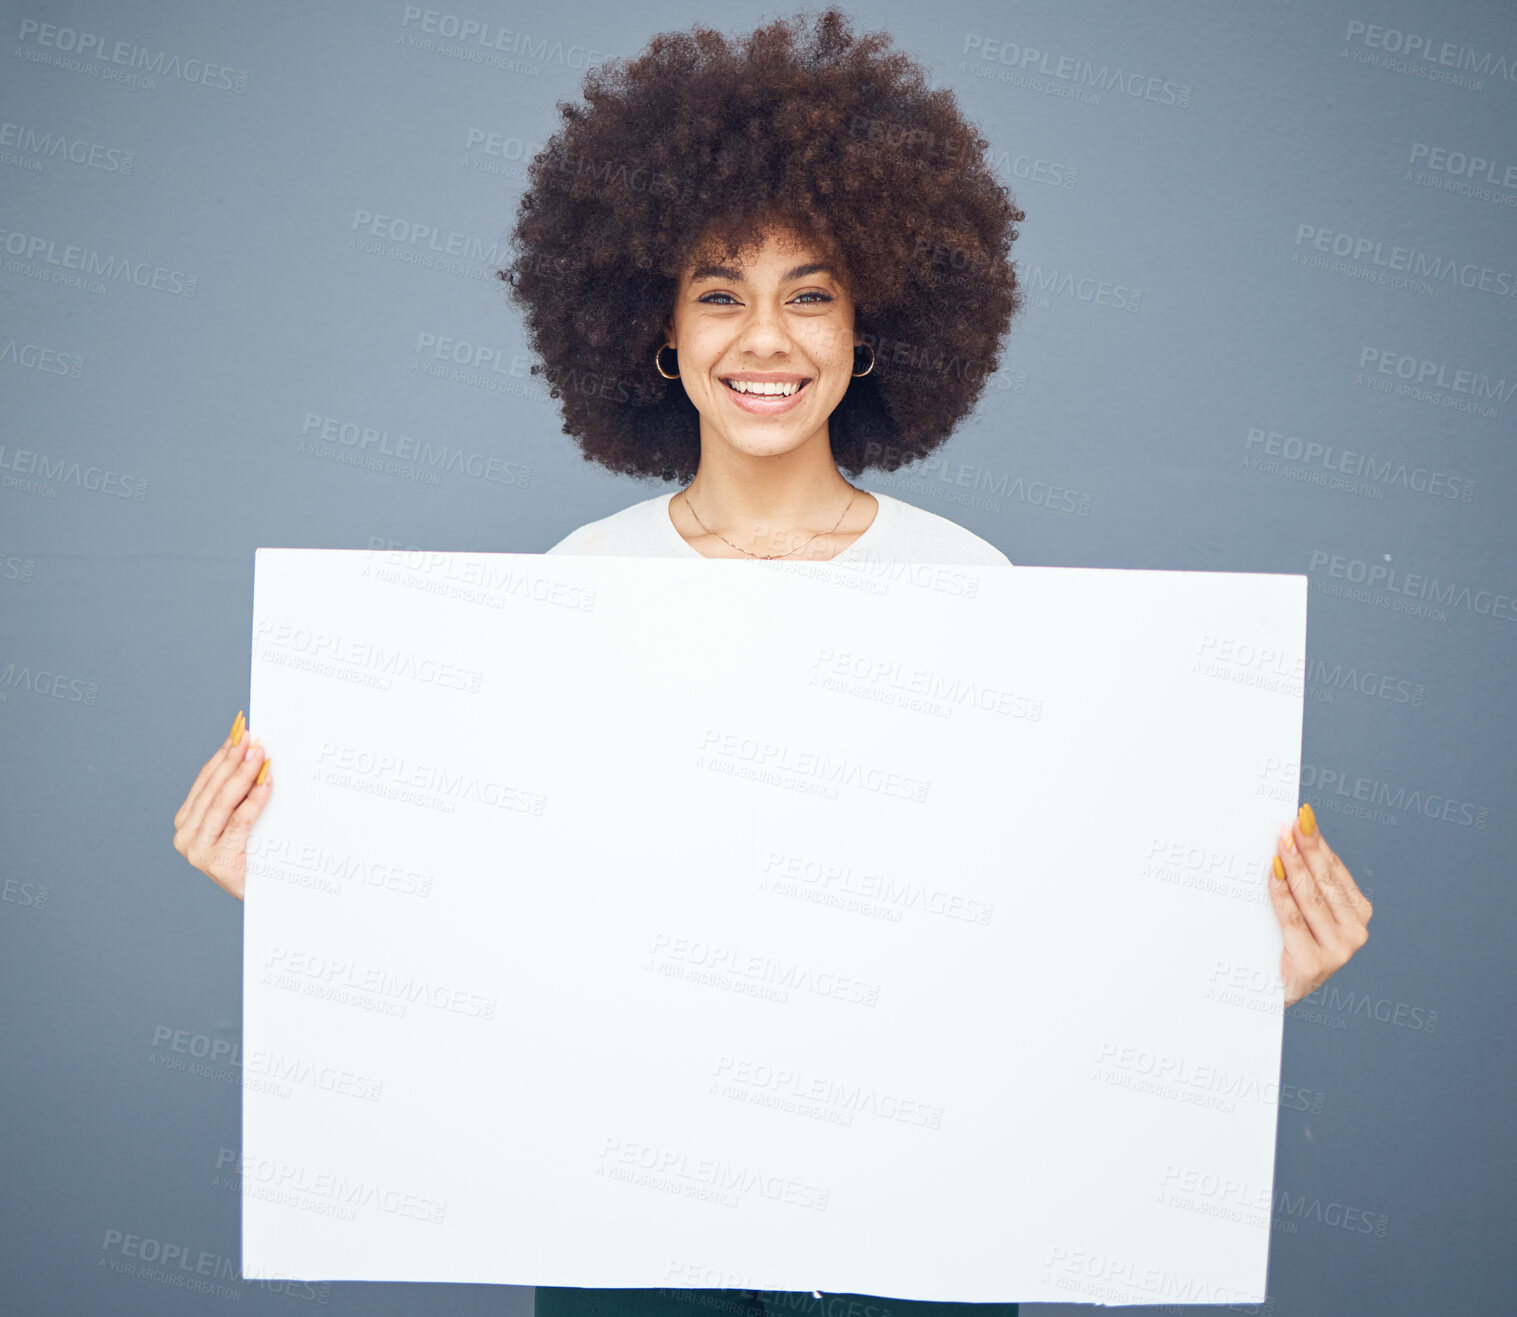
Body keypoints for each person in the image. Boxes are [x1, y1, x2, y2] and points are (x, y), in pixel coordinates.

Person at [172, 8, 1372, 1317]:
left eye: (810, 293)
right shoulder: (571, 591)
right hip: (625, 1203)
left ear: (872, 330)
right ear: (655, 332)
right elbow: (507, 911)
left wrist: (1231, 963)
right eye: (717, 294)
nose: (765, 339)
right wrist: (304, 887)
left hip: (918, 1211)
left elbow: (1037, 928)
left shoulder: (972, 591)